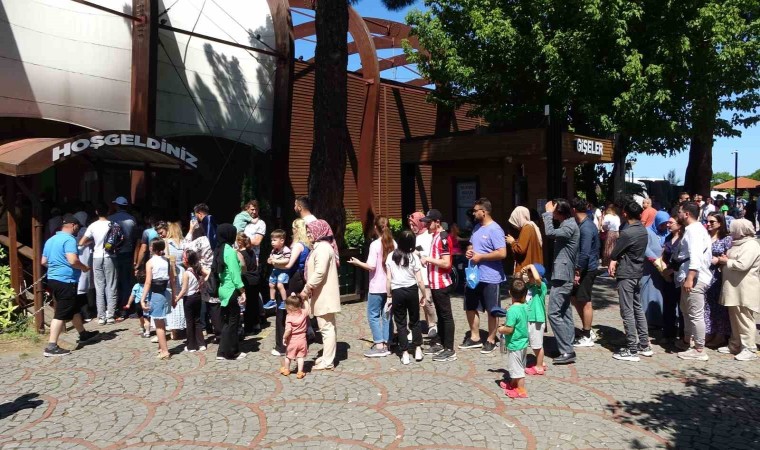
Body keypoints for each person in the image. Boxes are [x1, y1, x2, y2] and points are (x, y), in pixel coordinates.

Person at [42, 214, 99, 357]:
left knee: (73, 308)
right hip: (66, 280)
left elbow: (43, 261)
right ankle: (51, 345)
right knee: (61, 312)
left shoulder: (51, 239)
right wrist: (84, 267)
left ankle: (83, 334)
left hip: (53, 278)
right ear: (73, 225)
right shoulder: (69, 240)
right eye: (77, 227)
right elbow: (73, 260)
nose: (77, 229)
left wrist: (56, 267)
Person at [461, 198, 507, 354]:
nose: (473, 213)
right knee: (470, 306)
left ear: (484, 212)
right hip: (474, 275)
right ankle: (474, 337)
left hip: (491, 277)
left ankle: (491, 339)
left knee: (491, 310)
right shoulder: (476, 228)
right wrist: (469, 250)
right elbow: (472, 245)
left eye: (476, 210)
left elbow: (502, 253)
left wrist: (481, 257)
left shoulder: (495, 230)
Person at [608, 201, 652, 362]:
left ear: (625, 213)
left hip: (627, 273)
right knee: (637, 308)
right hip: (638, 272)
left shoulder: (628, 233)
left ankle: (632, 348)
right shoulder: (642, 230)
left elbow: (615, 252)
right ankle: (644, 344)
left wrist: (613, 260)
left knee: (627, 311)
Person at [348, 216, 395, 358]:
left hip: (376, 285)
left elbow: (371, 266)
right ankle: (388, 343)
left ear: (375, 228)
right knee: (387, 315)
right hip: (391, 285)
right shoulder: (394, 243)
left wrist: (357, 263)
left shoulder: (375, 244)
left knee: (373, 315)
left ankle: (379, 345)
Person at [715, 219, 760, 361]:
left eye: (733, 228)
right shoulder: (737, 243)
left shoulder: (751, 245)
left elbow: (743, 265)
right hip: (733, 287)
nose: (730, 230)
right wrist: (726, 259)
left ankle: (749, 348)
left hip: (744, 288)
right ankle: (735, 344)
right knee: (734, 317)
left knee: (744, 318)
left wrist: (725, 261)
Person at [300, 220, 342, 370]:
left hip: (324, 294)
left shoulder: (323, 248)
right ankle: (326, 357)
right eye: (308, 231)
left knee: (326, 328)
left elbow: (319, 272)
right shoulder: (321, 247)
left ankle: (328, 361)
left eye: (311, 231)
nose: (309, 234)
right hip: (322, 294)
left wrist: (307, 288)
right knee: (326, 327)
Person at [542, 199, 580, 365]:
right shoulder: (569, 224)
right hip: (564, 273)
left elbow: (550, 233)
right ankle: (566, 345)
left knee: (553, 312)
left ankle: (566, 350)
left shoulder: (569, 226)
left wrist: (547, 214)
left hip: (563, 274)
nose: (553, 213)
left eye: (555, 211)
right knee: (564, 311)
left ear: (560, 212)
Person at [674, 202, 713, 361]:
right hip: (688, 276)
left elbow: (695, 256)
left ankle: (699, 349)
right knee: (686, 310)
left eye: (680, 212)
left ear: (687, 214)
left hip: (695, 278)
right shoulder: (694, 230)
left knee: (696, 314)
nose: (678, 214)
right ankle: (686, 341)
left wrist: (691, 278)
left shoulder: (694, 231)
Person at [420, 209, 457, 362]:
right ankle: (441, 343)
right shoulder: (435, 236)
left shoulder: (442, 237)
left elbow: (446, 262)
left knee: (446, 315)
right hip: (435, 283)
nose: (426, 225)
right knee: (441, 315)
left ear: (437, 222)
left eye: (429, 223)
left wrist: (428, 259)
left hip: (441, 282)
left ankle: (449, 349)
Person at [386, 230, 428, 365]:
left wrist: (389, 295)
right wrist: (424, 294)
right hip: (412, 290)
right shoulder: (413, 257)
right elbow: (420, 280)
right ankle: (417, 349)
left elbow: (388, 279)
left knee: (400, 323)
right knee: (415, 321)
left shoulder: (391, 256)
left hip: (397, 291)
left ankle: (404, 353)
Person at [570, 198, 601, 348]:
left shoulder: (586, 227)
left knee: (585, 301)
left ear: (574, 210)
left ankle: (587, 334)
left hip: (587, 269)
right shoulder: (583, 224)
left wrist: (578, 271)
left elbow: (585, 252)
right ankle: (586, 329)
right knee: (575, 298)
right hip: (584, 268)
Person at [213, 224, 247, 361]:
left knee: (227, 322)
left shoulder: (218, 249)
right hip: (232, 289)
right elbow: (234, 274)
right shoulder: (230, 251)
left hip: (222, 289)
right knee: (233, 322)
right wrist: (242, 290)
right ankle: (232, 352)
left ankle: (221, 351)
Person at [79, 203, 116, 324]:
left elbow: (81, 242)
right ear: (108, 212)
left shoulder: (92, 226)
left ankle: (101, 316)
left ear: (96, 212)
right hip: (110, 256)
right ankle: (110, 315)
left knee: (99, 286)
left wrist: (91, 241)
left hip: (97, 256)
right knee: (111, 285)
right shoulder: (114, 225)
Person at [139, 239, 175, 360]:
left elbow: (148, 282)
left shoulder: (150, 262)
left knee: (159, 325)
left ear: (152, 248)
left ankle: (165, 351)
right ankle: (161, 347)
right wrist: (174, 296)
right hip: (166, 292)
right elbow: (172, 280)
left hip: (156, 293)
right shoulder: (167, 261)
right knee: (162, 322)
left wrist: (142, 298)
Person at [497, 278, 530, 399]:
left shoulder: (512, 311)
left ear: (510, 293)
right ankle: (512, 384)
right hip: (523, 342)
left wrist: (501, 329)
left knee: (518, 371)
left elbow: (509, 329)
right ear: (525, 294)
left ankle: (521, 390)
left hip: (515, 344)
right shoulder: (525, 306)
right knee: (519, 366)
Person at [703, 212, 732, 348]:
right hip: (705, 274)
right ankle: (709, 332)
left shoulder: (726, 239)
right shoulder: (705, 237)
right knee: (707, 305)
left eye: (712, 222)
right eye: (707, 221)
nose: (708, 224)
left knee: (719, 307)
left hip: (718, 276)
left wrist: (719, 261)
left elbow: (729, 258)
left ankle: (720, 335)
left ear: (720, 223)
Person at [409, 211, 438, 338]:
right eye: (410, 224)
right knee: (414, 302)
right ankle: (415, 326)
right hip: (413, 275)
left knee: (427, 301)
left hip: (425, 275)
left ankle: (432, 325)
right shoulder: (413, 237)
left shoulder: (429, 236)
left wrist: (418, 253)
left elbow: (428, 255)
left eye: (414, 224)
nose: (412, 227)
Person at [108, 196, 137, 321]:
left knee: (113, 281)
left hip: (114, 253)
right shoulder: (132, 219)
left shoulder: (111, 219)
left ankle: (114, 308)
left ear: (117, 206)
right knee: (126, 281)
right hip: (128, 252)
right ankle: (125, 307)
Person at [640, 211, 670, 330]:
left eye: (666, 224)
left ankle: (660, 318)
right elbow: (645, 248)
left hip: (663, 268)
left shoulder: (667, 232)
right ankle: (649, 319)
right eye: (662, 224)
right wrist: (655, 260)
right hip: (650, 268)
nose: (664, 226)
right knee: (648, 293)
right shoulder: (647, 231)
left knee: (660, 294)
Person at [174, 250, 207, 352]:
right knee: (197, 321)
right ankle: (201, 344)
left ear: (186, 260)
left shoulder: (186, 273)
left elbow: (184, 290)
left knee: (189, 322)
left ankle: (191, 346)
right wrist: (202, 284)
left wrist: (176, 299)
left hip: (189, 299)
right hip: (197, 296)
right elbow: (206, 275)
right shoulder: (197, 270)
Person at [660, 212, 684, 342]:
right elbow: (664, 255)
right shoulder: (668, 237)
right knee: (668, 305)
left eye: (671, 223)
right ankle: (668, 333)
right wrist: (664, 270)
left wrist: (671, 271)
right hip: (667, 276)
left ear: (679, 225)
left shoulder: (683, 239)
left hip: (678, 275)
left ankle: (682, 335)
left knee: (681, 307)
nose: (668, 225)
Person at [521, 263, 547, 375]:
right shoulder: (528, 286)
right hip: (528, 318)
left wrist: (531, 266)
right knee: (533, 343)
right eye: (529, 276)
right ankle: (541, 361)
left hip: (536, 319)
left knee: (537, 345)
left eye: (531, 276)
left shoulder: (541, 287)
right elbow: (518, 284)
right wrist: (522, 272)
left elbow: (536, 279)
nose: (529, 278)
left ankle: (539, 367)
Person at [237, 232, 263, 335]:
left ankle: (249, 328)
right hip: (255, 278)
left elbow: (242, 268)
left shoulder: (240, 254)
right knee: (254, 303)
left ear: (239, 242)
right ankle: (256, 324)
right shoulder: (251, 252)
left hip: (247, 280)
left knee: (248, 305)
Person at [281, 294, 311, 379]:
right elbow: (308, 310)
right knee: (300, 357)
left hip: (292, 340)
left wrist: (284, 337)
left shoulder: (289, 317)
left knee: (288, 356)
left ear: (289, 308)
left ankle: (286, 369)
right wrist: (305, 300)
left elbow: (288, 330)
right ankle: (300, 372)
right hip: (302, 340)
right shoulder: (303, 313)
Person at [506, 206, 543, 274]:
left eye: (514, 221)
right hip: (532, 269)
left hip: (526, 270)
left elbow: (521, 250)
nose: (514, 226)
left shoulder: (526, 228)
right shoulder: (532, 227)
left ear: (518, 218)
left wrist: (512, 242)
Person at [264, 229, 291, 310]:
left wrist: (276, 261)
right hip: (275, 270)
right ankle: (272, 300)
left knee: (279, 285)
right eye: (272, 240)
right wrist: (269, 260)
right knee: (271, 284)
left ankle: (284, 301)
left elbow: (287, 260)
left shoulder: (286, 250)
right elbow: (270, 258)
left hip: (283, 271)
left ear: (282, 241)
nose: (272, 242)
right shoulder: (274, 250)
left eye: (274, 240)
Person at [125, 268, 150, 338]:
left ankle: (142, 328)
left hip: (138, 304)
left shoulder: (136, 286)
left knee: (141, 318)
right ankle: (147, 332)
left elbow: (132, 296)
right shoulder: (148, 286)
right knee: (147, 319)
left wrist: (128, 304)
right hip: (146, 303)